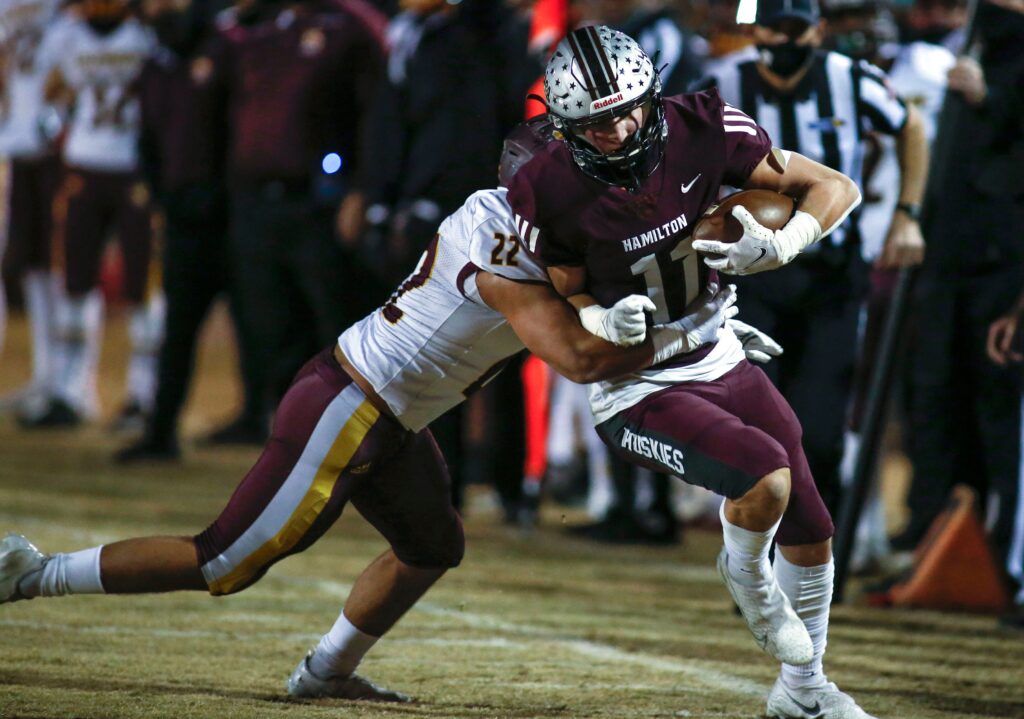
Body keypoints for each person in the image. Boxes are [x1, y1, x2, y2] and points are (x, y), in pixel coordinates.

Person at [0, 118, 745, 703]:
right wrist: (697, 331)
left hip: (393, 411)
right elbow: (580, 358)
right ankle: (29, 573)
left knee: (432, 545)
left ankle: (325, 671)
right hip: (351, 402)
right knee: (224, 559)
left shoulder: (536, 232)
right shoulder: (501, 249)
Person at [506, 26, 874, 719]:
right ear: (563, 125)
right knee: (764, 473)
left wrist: (788, 240)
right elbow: (562, 287)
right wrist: (592, 316)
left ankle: (804, 692)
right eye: (595, 121)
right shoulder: (544, 185)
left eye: (626, 110)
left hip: (720, 350)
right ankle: (749, 583)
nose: (616, 130)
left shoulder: (701, 125)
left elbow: (834, 186)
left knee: (812, 522)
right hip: (638, 384)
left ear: (652, 92)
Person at [698, 0, 929, 517]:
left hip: (830, 274)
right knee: (755, 431)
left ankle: (813, 551)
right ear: (752, 30)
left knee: (822, 431)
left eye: (792, 30)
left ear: (819, 30)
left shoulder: (848, 77)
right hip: (748, 274)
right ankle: (758, 557)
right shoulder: (720, 84)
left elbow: (909, 126)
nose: (780, 41)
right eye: (769, 28)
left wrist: (907, 212)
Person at [894, 0, 1024, 593]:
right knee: (935, 398)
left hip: (1003, 266)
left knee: (998, 414)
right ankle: (928, 537)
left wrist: (990, 99)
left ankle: (1003, 555)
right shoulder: (968, 48)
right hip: (948, 258)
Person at [115, 0, 263, 461]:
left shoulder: (229, 50)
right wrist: (162, 195)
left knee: (258, 325)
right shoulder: (157, 66)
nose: (163, 8)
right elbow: (147, 138)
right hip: (184, 219)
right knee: (177, 329)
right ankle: (161, 431)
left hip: (235, 215)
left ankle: (260, 420)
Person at [23, 0, 163, 429]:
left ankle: (144, 394)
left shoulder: (148, 34)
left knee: (143, 285)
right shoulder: (67, 34)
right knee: (75, 280)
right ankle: (71, 390)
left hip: (135, 170)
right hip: (84, 165)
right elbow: (50, 93)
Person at [0, 0, 63, 419]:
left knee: (63, 266)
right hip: (14, 145)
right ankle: (45, 376)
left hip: (61, 145)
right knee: (33, 266)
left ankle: (69, 384)